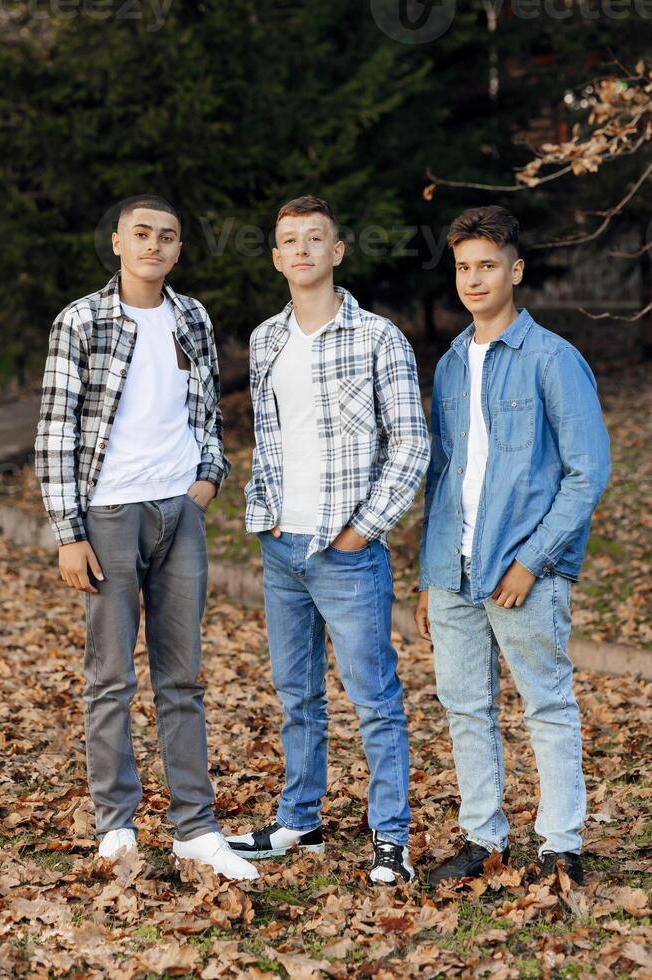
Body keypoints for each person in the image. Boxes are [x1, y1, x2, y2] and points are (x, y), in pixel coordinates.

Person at [34, 194, 258, 881]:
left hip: (177, 513)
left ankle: (194, 828)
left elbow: (207, 412)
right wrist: (69, 533)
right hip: (108, 515)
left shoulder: (191, 316)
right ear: (117, 243)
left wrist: (207, 481)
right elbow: (54, 432)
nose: (154, 246)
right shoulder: (82, 320)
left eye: (167, 237)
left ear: (178, 249)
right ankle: (117, 827)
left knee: (182, 677)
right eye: (142, 234)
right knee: (110, 678)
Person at [226, 195, 430, 884]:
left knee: (374, 700)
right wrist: (269, 513)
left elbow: (410, 444)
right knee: (296, 695)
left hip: (347, 553)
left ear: (338, 252)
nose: (304, 250)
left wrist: (359, 531)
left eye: (318, 238)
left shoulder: (378, 337)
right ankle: (300, 822)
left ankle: (391, 839)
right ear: (278, 257)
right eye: (291, 240)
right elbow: (267, 438)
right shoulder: (265, 341)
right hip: (282, 550)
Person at [415, 205, 610, 887]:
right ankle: (483, 842)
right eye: (464, 267)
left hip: (523, 569)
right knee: (465, 707)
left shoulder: (554, 359)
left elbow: (589, 471)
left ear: (515, 270)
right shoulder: (448, 365)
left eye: (487, 265)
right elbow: (445, 474)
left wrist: (534, 560)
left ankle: (561, 847)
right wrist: (428, 573)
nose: (473, 279)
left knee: (547, 706)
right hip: (454, 571)